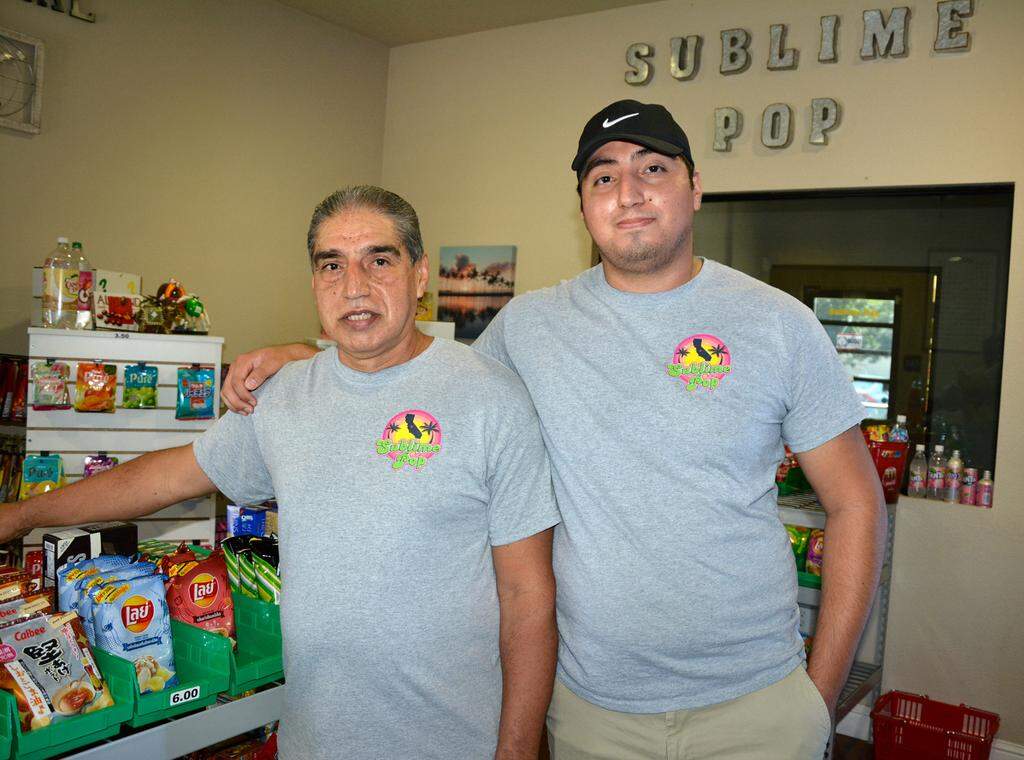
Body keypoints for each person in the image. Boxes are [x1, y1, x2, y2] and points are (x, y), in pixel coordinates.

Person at [222, 102, 887, 759]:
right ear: (583, 206)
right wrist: (305, 357)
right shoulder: (530, 327)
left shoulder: (778, 324)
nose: (628, 192)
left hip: (757, 706)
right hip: (593, 713)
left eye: (652, 168)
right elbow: (419, 376)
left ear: (695, 187)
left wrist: (817, 698)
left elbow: (856, 503)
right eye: (603, 177)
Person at [1, 186, 561, 760]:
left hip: (452, 742)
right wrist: (22, 515)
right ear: (315, 282)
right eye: (332, 265)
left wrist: (516, 750)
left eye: (380, 260)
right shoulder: (286, 396)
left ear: (419, 276)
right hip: (313, 740)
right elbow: (164, 479)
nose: (354, 285)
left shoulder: (490, 398)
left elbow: (528, 597)